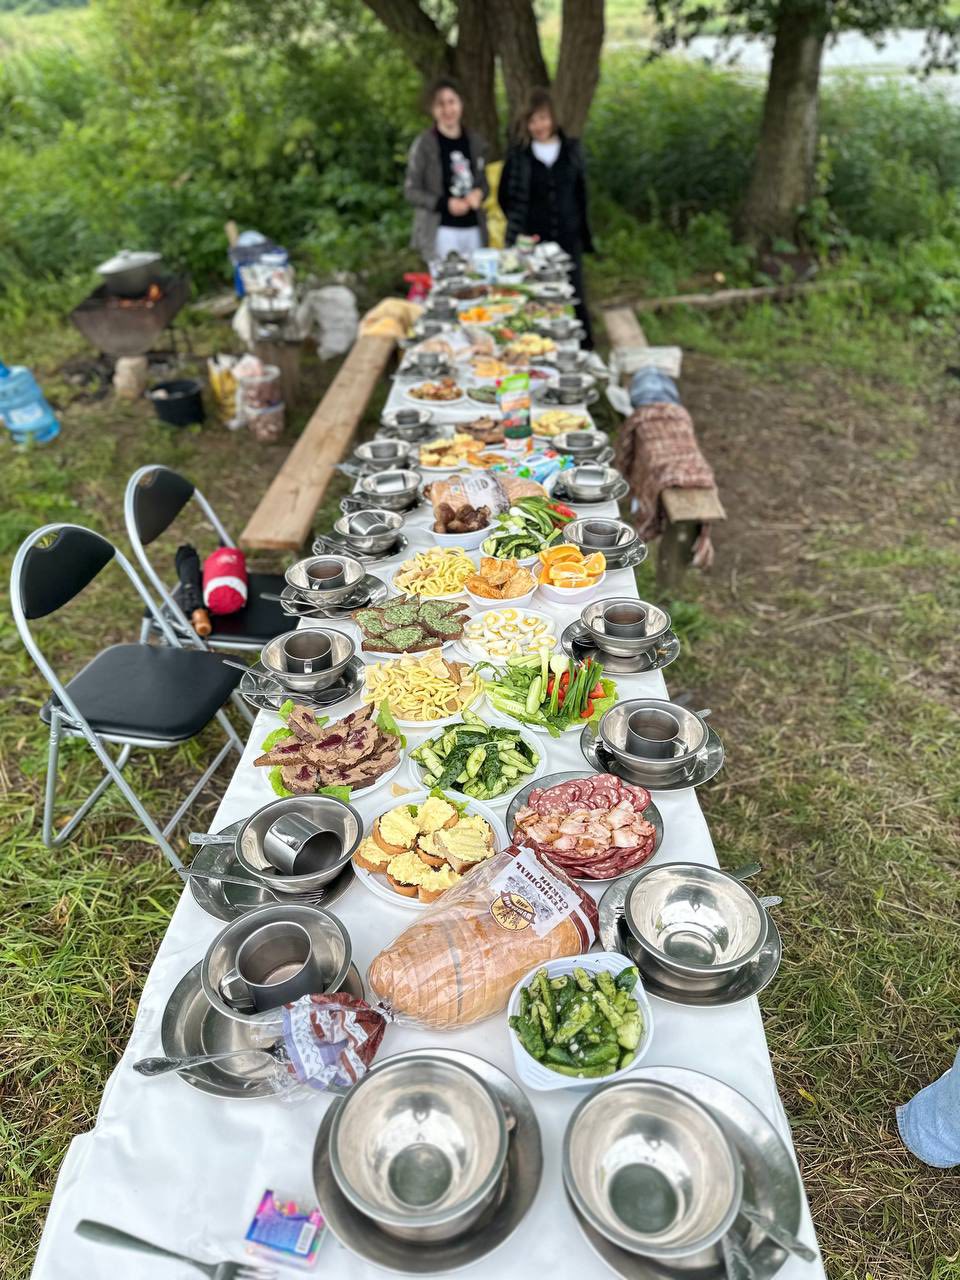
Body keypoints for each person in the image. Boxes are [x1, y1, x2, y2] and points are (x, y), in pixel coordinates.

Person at [499, 87, 595, 347]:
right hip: (531, 239)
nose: (539, 126)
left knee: (573, 293)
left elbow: (581, 194)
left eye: (543, 118)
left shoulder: (571, 149)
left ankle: (582, 349)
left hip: (568, 236)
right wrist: (520, 228)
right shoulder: (519, 154)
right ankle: (534, 347)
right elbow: (504, 196)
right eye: (532, 121)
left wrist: (580, 230)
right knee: (533, 295)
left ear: (553, 118)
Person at [404, 78, 489, 265]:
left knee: (478, 280)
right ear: (432, 109)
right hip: (441, 230)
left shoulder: (475, 141)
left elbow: (484, 183)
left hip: (474, 228)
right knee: (448, 281)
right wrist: (444, 203)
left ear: (461, 104)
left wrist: (479, 193)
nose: (447, 109)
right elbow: (411, 191)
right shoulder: (424, 144)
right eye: (440, 104)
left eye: (452, 102)